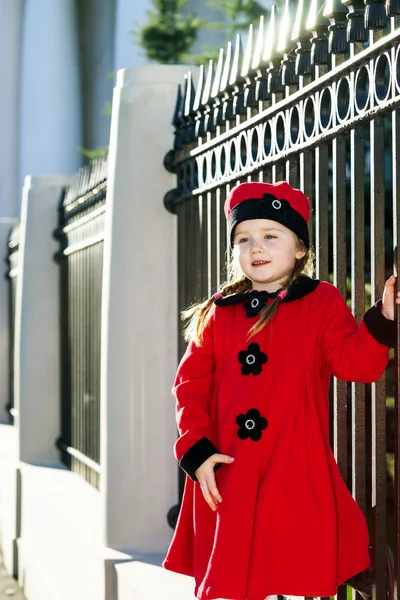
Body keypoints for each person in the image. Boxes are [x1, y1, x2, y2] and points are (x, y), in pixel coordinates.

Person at [162, 181, 398, 600]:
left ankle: (361, 564)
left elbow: (355, 362)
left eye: (271, 235)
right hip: (228, 467)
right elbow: (189, 387)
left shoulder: (320, 301)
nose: (257, 246)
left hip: (293, 461)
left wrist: (382, 317)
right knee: (234, 579)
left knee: (297, 561)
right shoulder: (219, 313)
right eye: (243, 238)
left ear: (300, 249)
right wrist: (196, 450)